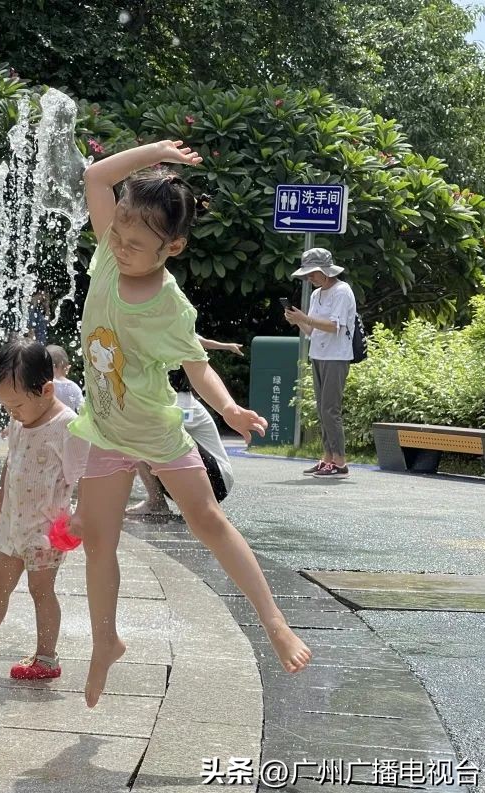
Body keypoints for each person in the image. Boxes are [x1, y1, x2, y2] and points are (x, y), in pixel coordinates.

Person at [69, 140, 311, 707]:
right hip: (104, 429)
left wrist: (228, 410)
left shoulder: (170, 307)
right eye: (120, 237)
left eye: (137, 244)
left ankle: (273, 622)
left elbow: (197, 368)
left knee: (205, 519)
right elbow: (97, 178)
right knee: (98, 542)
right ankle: (105, 641)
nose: (122, 249)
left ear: (172, 247)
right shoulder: (107, 252)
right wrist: (154, 152)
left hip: (154, 429)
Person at [0, 340, 88, 680]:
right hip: (13, 523)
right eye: (6, 407)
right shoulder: (20, 422)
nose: (12, 412)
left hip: (45, 531)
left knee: (41, 591)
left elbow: (84, 475)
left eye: (16, 405)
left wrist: (81, 517)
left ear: (46, 389)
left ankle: (47, 659)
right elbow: (12, 463)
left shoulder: (68, 427)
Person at [127, 337, 241, 519]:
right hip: (193, 481)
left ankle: (157, 503)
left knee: (144, 433)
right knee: (136, 436)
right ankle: (156, 502)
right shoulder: (165, 400)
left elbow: (192, 338)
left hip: (217, 481)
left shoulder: (184, 403)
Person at [284, 248, 358, 479]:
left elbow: (334, 326)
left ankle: (340, 462)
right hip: (318, 354)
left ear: (325, 271)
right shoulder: (317, 295)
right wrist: (297, 320)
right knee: (322, 409)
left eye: (312, 273)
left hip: (337, 356)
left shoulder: (342, 291)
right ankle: (327, 458)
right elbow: (312, 330)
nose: (309, 278)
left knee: (330, 409)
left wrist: (304, 318)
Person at [46, 343, 83, 412]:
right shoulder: (74, 387)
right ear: (67, 368)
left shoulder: (45, 386)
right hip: (69, 422)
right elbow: (82, 410)